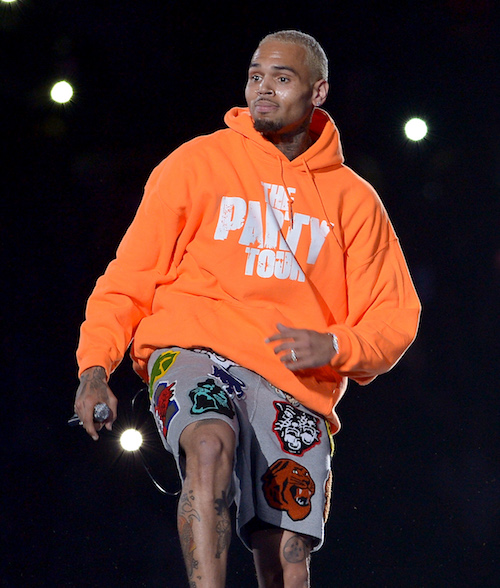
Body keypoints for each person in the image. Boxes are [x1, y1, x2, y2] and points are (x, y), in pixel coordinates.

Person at [73, 30, 421, 588]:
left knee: (287, 559)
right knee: (209, 444)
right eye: (256, 76)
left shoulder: (354, 200)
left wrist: (336, 345)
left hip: (294, 381)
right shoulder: (197, 162)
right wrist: (95, 366)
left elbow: (395, 315)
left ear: (318, 92)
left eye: (282, 78)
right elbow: (129, 276)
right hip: (194, 351)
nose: (263, 88)